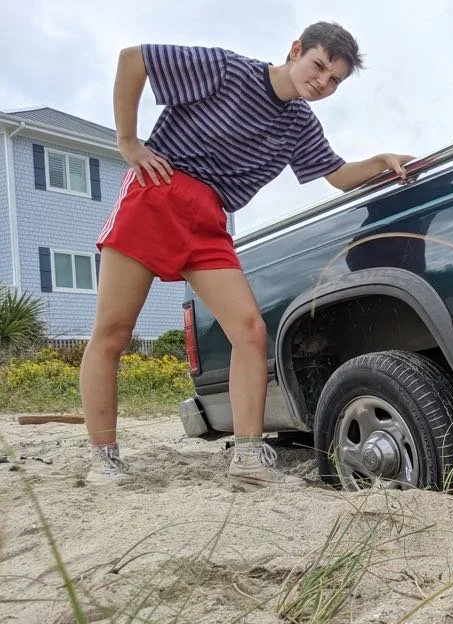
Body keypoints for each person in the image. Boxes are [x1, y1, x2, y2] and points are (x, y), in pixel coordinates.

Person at [82, 21, 412, 487]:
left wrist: (383, 162)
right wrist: (128, 142)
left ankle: (248, 460)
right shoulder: (227, 70)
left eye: (334, 80)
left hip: (209, 216)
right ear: (296, 50)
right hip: (158, 190)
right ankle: (103, 457)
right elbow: (133, 60)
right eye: (318, 66)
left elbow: (337, 175)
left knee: (251, 331)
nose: (322, 82)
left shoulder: (300, 125)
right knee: (113, 334)